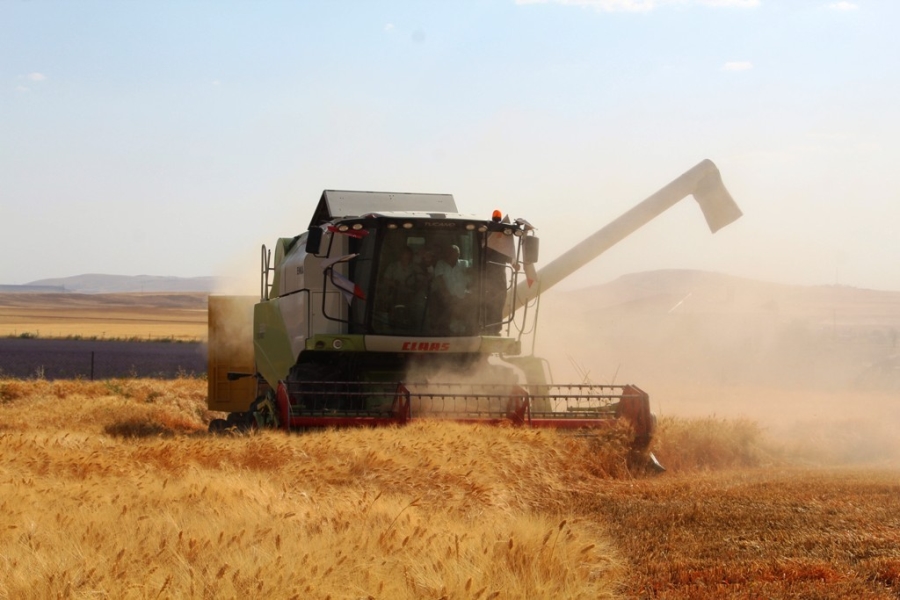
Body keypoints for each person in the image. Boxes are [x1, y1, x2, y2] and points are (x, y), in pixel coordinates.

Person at [430, 245, 473, 334]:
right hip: (445, 299)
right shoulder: (440, 264)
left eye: (451, 253)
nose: (448, 255)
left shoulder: (464, 264)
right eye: (447, 253)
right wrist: (448, 297)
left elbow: (471, 278)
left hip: (463, 298)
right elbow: (440, 282)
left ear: (458, 254)